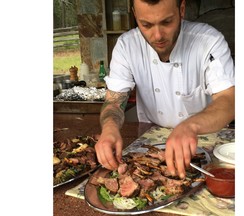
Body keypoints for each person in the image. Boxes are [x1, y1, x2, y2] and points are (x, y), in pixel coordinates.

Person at [95, 0, 235, 179]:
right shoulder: (126, 46)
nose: (158, 35)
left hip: (205, 137)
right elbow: (114, 100)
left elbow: (229, 100)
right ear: (135, 15)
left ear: (182, 10)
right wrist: (109, 128)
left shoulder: (209, 41)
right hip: (150, 145)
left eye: (167, 22)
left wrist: (190, 125)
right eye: (146, 25)